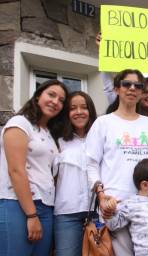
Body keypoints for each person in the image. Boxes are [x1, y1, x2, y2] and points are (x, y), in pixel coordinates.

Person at [85, 69, 148, 255]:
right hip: (116, 206)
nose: (132, 89)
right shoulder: (103, 123)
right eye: (126, 84)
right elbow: (91, 164)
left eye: (138, 86)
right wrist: (101, 195)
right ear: (116, 89)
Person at [0, 79, 68, 255]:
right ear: (38, 95)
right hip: (17, 204)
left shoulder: (49, 133)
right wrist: (31, 215)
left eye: (61, 100)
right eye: (51, 95)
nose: (56, 102)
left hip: (46, 206)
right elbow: (16, 170)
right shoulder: (20, 123)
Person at [53, 91, 97, 256]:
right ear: (67, 113)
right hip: (66, 213)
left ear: (90, 111)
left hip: (97, 212)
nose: (79, 112)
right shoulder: (58, 140)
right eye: (73, 108)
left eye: (84, 107)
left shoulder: (101, 138)